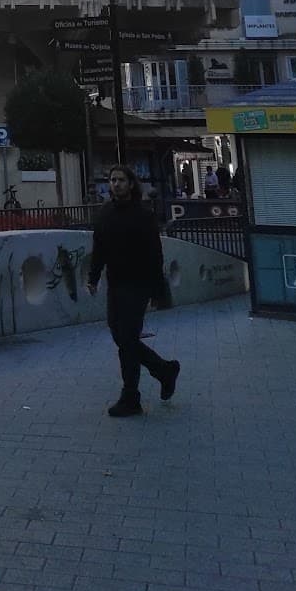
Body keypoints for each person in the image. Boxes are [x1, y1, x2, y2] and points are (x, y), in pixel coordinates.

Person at [87, 164, 179, 418]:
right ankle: (163, 369)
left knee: (127, 340)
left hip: (138, 285)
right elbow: (99, 249)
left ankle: (131, 396)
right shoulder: (105, 214)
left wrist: (157, 288)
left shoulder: (142, 215)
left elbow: (155, 253)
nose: (115, 184)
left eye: (120, 180)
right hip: (115, 284)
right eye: (112, 180)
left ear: (131, 184)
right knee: (120, 337)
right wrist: (93, 278)